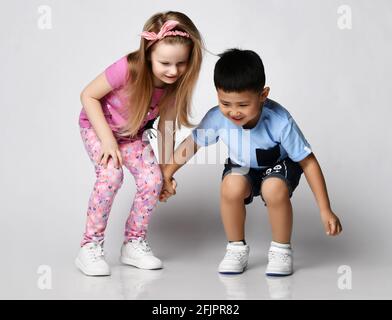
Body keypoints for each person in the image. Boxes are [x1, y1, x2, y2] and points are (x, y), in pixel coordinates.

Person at [160, 48, 342, 276]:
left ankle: (281, 249)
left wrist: (325, 210)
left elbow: (309, 162)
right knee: (231, 186)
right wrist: (166, 172)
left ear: (263, 95)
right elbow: (192, 144)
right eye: (226, 103)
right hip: (243, 166)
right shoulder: (217, 117)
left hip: (278, 166)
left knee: (272, 188)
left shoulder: (279, 120)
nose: (233, 112)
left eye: (243, 105)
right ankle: (236, 248)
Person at [75, 11, 203, 276]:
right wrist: (108, 141)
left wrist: (167, 173)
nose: (173, 71)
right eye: (165, 63)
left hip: (132, 135)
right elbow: (88, 96)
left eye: (181, 64)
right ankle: (89, 247)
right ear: (148, 54)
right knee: (111, 175)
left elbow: (166, 129)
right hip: (99, 129)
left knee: (152, 180)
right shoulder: (128, 68)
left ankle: (133, 242)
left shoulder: (174, 87)